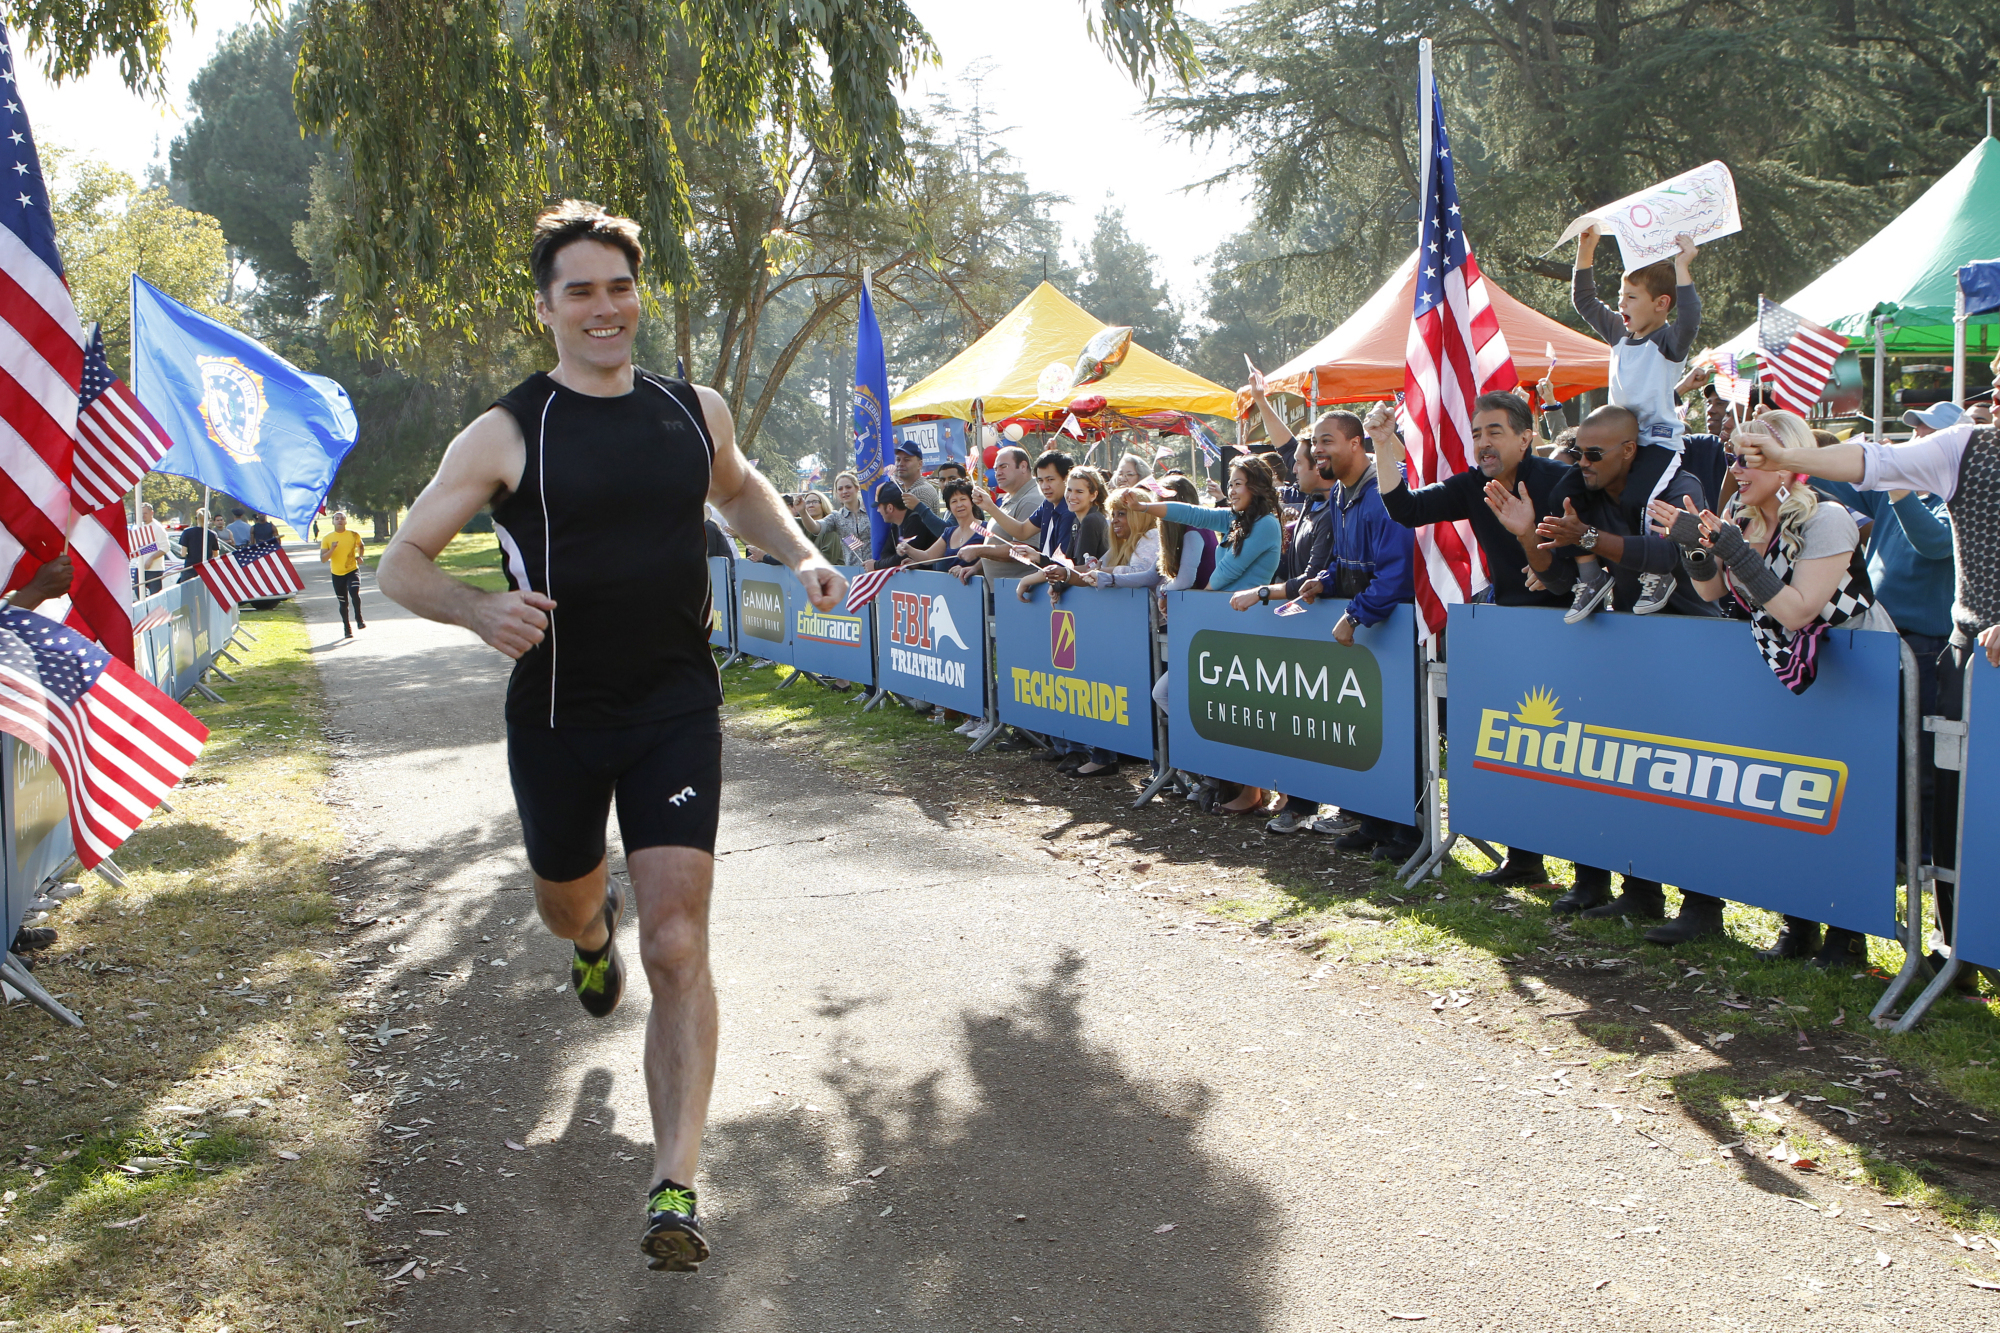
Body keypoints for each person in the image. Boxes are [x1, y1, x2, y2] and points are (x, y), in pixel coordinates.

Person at [374, 200, 846, 1273]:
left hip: (676, 706)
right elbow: (403, 561)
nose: (604, 308)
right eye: (579, 290)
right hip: (557, 718)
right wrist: (479, 611)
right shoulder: (506, 430)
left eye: (618, 286)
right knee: (566, 901)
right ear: (545, 308)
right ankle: (592, 939)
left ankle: (674, 1181)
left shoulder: (694, 410)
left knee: (677, 940)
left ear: (640, 296)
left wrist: (796, 551)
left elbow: (741, 491)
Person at [1735, 355, 2000, 985]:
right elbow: (1869, 462)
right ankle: (1960, 953)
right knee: (1959, 809)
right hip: (1970, 656)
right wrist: (1782, 461)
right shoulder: (1968, 448)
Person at [1652, 409, 1893, 960]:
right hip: (1792, 674)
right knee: (1796, 798)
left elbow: (1799, 610)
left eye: (1748, 458)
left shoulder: (1827, 518)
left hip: (1857, 674)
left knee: (1848, 802)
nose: (1735, 469)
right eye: (1734, 457)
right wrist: (1693, 545)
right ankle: (1799, 926)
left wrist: (1732, 548)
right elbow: (1713, 592)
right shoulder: (1743, 518)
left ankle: (1847, 937)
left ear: (1787, 464)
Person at [1530, 405, 1719, 926]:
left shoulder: (1677, 485)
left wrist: (1588, 540)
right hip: (1631, 645)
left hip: (1691, 641)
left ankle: (1702, 905)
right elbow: (1562, 579)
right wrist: (1540, 541)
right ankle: (1639, 890)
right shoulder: (1581, 493)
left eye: (1595, 454)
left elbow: (1670, 557)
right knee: (1633, 772)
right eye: (1577, 453)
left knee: (1687, 781)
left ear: (1629, 450)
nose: (1583, 463)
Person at [1376, 390, 1570, 887]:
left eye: (1495, 432)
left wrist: (1549, 564)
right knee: (1518, 747)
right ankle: (1524, 862)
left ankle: (1590, 881)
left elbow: (1589, 552)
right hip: (1506, 631)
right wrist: (1382, 445)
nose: (1483, 443)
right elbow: (1405, 509)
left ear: (1526, 438)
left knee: (1569, 752)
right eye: (1477, 433)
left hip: (1569, 631)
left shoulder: (1559, 481)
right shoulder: (1471, 485)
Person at [1119, 456, 1285, 813]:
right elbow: (1192, 513)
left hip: (1244, 629)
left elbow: (1227, 573)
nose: (1232, 490)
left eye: (1239, 483)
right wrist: (1145, 505)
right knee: (1167, 693)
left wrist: (1191, 605)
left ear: (1256, 487)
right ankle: (1219, 775)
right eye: (1231, 483)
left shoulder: (1267, 525)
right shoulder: (1235, 520)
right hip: (1217, 627)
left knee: (1243, 712)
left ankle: (1254, 790)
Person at [1568, 227, 1701, 618]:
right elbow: (1584, 300)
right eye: (1620, 295)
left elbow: (1690, 318)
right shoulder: (1618, 334)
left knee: (1639, 501)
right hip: (1616, 446)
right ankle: (1590, 575)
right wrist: (1586, 250)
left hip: (1657, 443)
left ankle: (1659, 572)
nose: (1620, 303)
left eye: (1630, 297)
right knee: (1573, 489)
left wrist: (1682, 267)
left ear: (1661, 304)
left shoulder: (1669, 342)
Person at [1228, 410, 1340, 834]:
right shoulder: (1311, 503)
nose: (1291, 467)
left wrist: (1263, 593)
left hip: (1320, 628)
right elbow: (1290, 445)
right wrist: (1261, 401)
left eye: (1300, 463)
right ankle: (1296, 797)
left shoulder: (1331, 512)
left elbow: (1310, 579)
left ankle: (1306, 802)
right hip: (1297, 627)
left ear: (1320, 467)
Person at [1014, 465, 1110, 601]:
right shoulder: (1077, 520)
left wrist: (1028, 580)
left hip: (1096, 599)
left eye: (1079, 492)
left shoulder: (1091, 520)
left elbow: (1083, 570)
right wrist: (1037, 557)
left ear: (1093, 495)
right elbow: (1068, 565)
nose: (1072, 496)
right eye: (1069, 490)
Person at [961, 445, 1046, 583]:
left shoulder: (1032, 500)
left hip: (1018, 592)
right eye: (995, 469)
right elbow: (998, 540)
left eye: (1003, 466)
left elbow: (1022, 551)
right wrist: (977, 568)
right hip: (1000, 590)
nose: (998, 473)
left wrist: (979, 550)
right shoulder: (1010, 497)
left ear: (1023, 466)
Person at [899, 479, 985, 574]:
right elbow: (928, 556)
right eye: (954, 501)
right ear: (949, 507)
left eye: (963, 499)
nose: (959, 504)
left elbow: (993, 555)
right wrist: (907, 549)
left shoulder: (985, 528)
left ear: (972, 502)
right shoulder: (949, 532)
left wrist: (974, 568)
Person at [797, 472, 870, 562]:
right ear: (836, 493)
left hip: (879, 571)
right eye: (840, 489)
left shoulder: (873, 511)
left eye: (848, 487)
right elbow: (815, 528)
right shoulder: (836, 517)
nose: (844, 491)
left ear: (857, 488)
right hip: (852, 572)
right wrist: (803, 512)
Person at [877, 481, 949, 569]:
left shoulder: (916, 521)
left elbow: (904, 557)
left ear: (890, 508)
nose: (878, 510)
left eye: (879, 506)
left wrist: (876, 565)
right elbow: (885, 554)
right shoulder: (894, 526)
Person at [319, 511, 368, 638]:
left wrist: (360, 556)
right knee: (343, 603)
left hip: (352, 570)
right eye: (337, 518)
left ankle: (359, 619)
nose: (340, 520)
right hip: (337, 574)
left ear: (346, 521)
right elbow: (323, 559)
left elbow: (361, 545)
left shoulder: (353, 535)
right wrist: (332, 549)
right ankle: (347, 628)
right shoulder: (327, 538)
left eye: (342, 518)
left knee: (354, 593)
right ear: (333, 521)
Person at [791, 491, 846, 566]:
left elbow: (827, 559)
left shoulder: (831, 527)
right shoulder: (799, 525)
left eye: (815, 502)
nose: (811, 505)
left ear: (823, 504)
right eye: (807, 502)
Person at [891, 440, 943, 513]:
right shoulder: (909, 490)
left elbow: (913, 524)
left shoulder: (921, 492)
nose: (900, 463)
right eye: (898, 459)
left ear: (920, 464)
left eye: (906, 460)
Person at [131, 502, 168, 597]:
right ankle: (146, 611)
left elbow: (165, 547)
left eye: (145, 513)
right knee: (138, 593)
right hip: (140, 567)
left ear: (152, 513)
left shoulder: (158, 527)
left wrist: (151, 559)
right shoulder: (138, 527)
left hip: (154, 569)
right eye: (141, 513)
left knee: (155, 596)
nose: (143, 516)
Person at [177, 510, 224, 583]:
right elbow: (216, 555)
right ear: (209, 519)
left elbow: (183, 553)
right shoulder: (212, 534)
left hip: (190, 569)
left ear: (196, 519)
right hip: (206, 569)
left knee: (188, 593)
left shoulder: (187, 532)